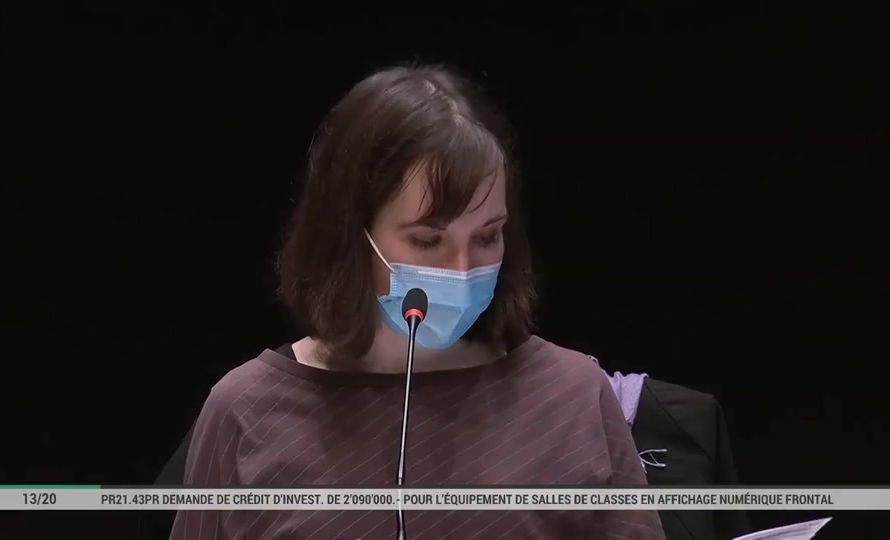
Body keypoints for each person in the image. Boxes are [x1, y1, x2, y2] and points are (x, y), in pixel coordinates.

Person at [169, 64, 666, 539]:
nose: (462, 269)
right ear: (350, 236)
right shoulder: (247, 410)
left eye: (487, 237)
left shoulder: (572, 394)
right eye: (427, 241)